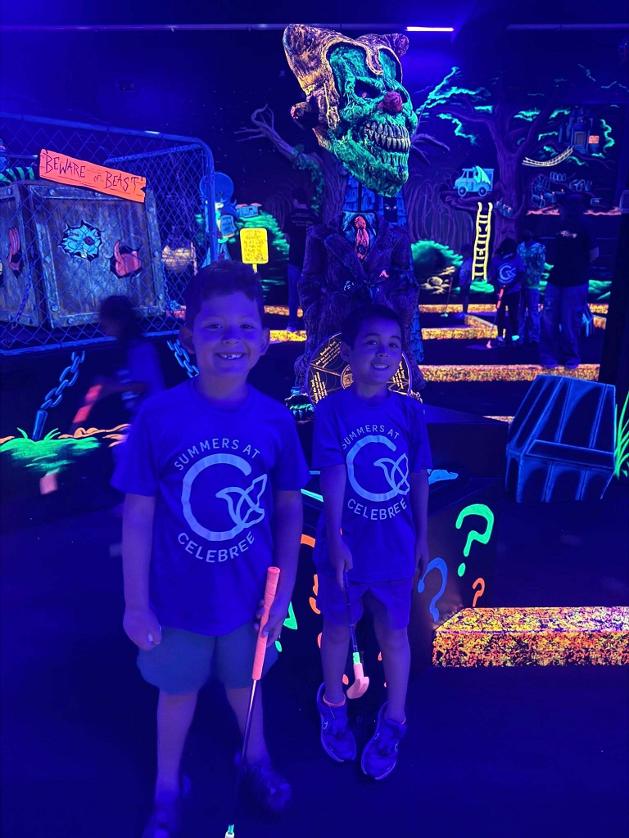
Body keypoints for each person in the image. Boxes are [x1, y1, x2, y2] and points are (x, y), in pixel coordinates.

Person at [112, 261, 309, 837]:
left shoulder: (275, 420)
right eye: (215, 326)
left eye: (245, 327)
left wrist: (283, 594)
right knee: (176, 695)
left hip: (249, 601)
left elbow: (290, 508)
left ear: (264, 339)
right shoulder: (160, 417)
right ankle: (166, 787)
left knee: (246, 686)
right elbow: (138, 514)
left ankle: (255, 760)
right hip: (177, 603)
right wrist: (135, 604)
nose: (231, 339)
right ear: (188, 337)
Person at [312, 304, 431, 780]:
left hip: (395, 549)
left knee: (395, 633)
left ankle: (395, 718)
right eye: (372, 343)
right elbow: (333, 473)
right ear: (347, 351)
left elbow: (419, 475)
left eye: (394, 345)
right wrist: (336, 537)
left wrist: (422, 536)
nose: (384, 354)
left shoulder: (410, 411)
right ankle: (333, 704)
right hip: (345, 551)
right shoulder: (331, 411)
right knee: (337, 628)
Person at [540, 195, 598, 369]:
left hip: (575, 282)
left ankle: (570, 355)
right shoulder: (558, 225)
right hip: (557, 279)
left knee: (570, 321)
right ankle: (551, 355)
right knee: (550, 320)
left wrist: (578, 266)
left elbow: (594, 254)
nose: (559, 210)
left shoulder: (585, 226)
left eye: (561, 206)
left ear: (571, 207)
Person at [96, 295, 165, 419]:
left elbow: (142, 385)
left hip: (153, 414)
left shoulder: (140, 349)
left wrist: (112, 387)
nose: (102, 326)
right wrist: (108, 384)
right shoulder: (127, 347)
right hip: (142, 415)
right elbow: (132, 381)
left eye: (105, 323)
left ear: (118, 321)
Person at [286, 188, 317, 331]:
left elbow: (287, 237)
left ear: (295, 200)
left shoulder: (291, 216)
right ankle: (309, 324)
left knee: (293, 293)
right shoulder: (313, 217)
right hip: (310, 261)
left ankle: (292, 323)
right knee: (309, 294)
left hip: (294, 259)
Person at [487, 238, 526, 347]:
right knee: (500, 314)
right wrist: (497, 286)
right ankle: (500, 337)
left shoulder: (516, 258)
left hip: (513, 292)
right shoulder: (496, 259)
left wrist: (512, 285)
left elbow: (521, 273)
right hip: (500, 292)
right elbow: (492, 276)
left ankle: (515, 337)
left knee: (513, 314)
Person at [517, 230, 546, 346]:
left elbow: (541, 266)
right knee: (520, 311)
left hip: (533, 284)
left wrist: (531, 275)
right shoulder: (520, 247)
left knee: (533, 311)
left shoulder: (539, 248)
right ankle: (520, 337)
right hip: (520, 284)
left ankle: (534, 338)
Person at [457, 243, 473, 316]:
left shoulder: (469, 261)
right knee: (463, 296)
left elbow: (469, 272)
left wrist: (465, 282)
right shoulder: (464, 261)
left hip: (466, 282)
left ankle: (465, 312)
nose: (463, 254)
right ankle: (463, 311)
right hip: (462, 281)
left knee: (465, 296)